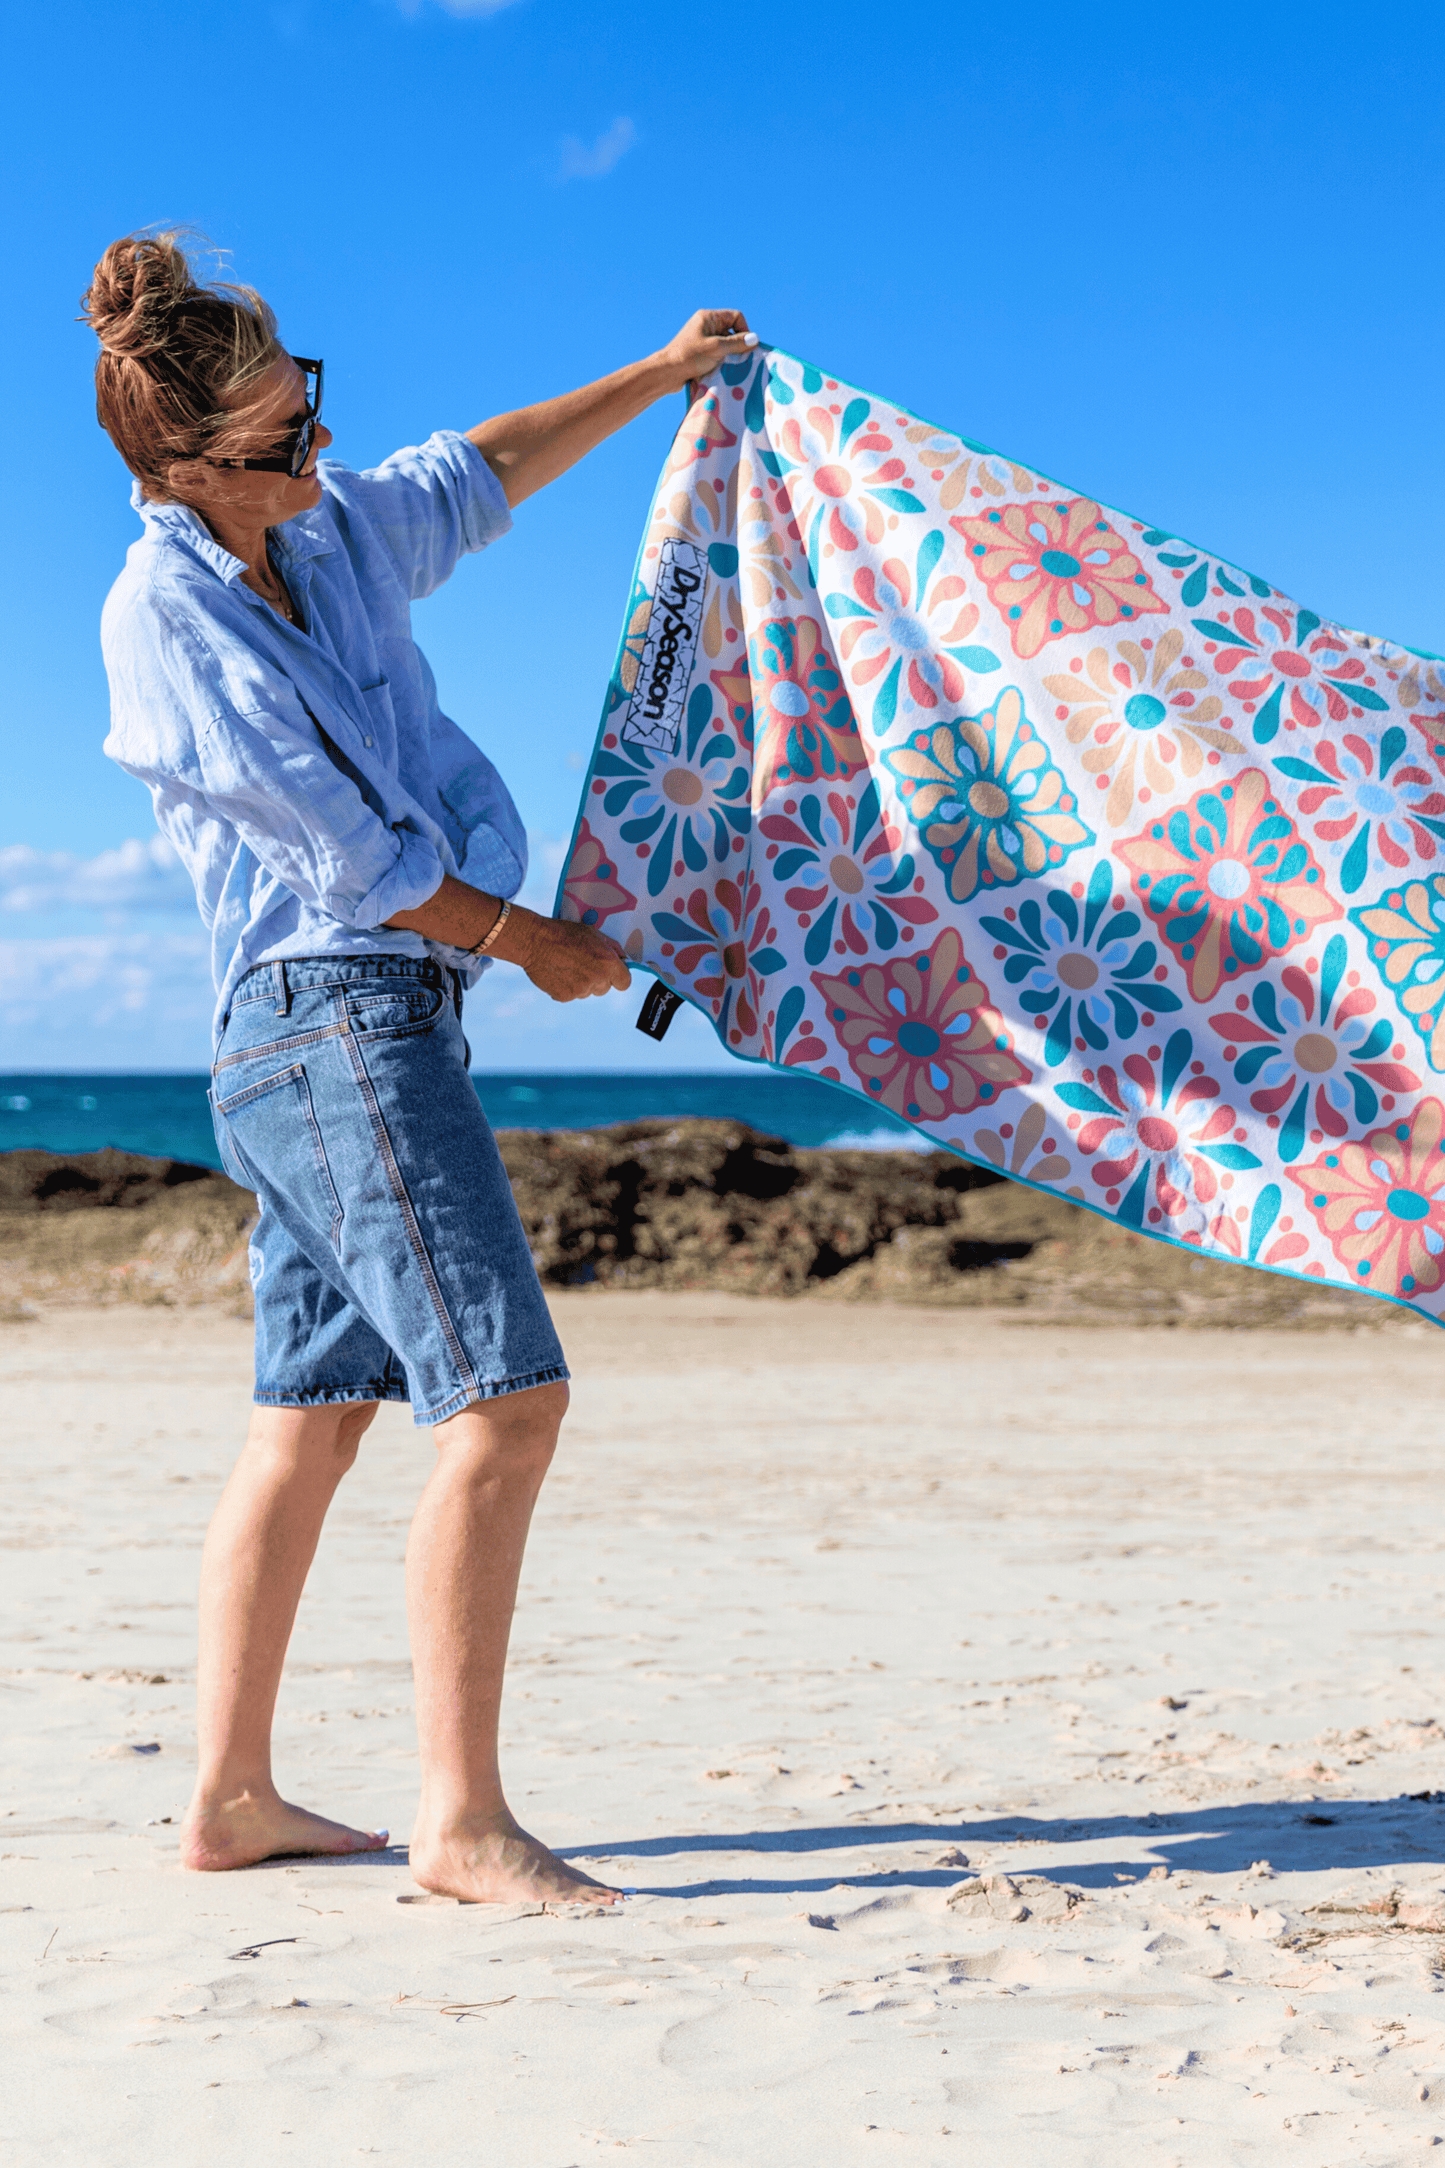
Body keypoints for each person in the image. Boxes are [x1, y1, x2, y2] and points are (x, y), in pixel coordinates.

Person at [85, 229, 755, 1905]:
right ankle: (463, 1823)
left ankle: (230, 1799)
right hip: (337, 1024)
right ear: (188, 469)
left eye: (308, 406)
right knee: (509, 1407)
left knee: (307, 1424)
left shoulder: (329, 527)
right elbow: (354, 862)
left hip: (348, 1029)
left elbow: (475, 475)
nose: (319, 449)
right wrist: (539, 944)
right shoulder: (163, 613)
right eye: (279, 439)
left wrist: (659, 375)